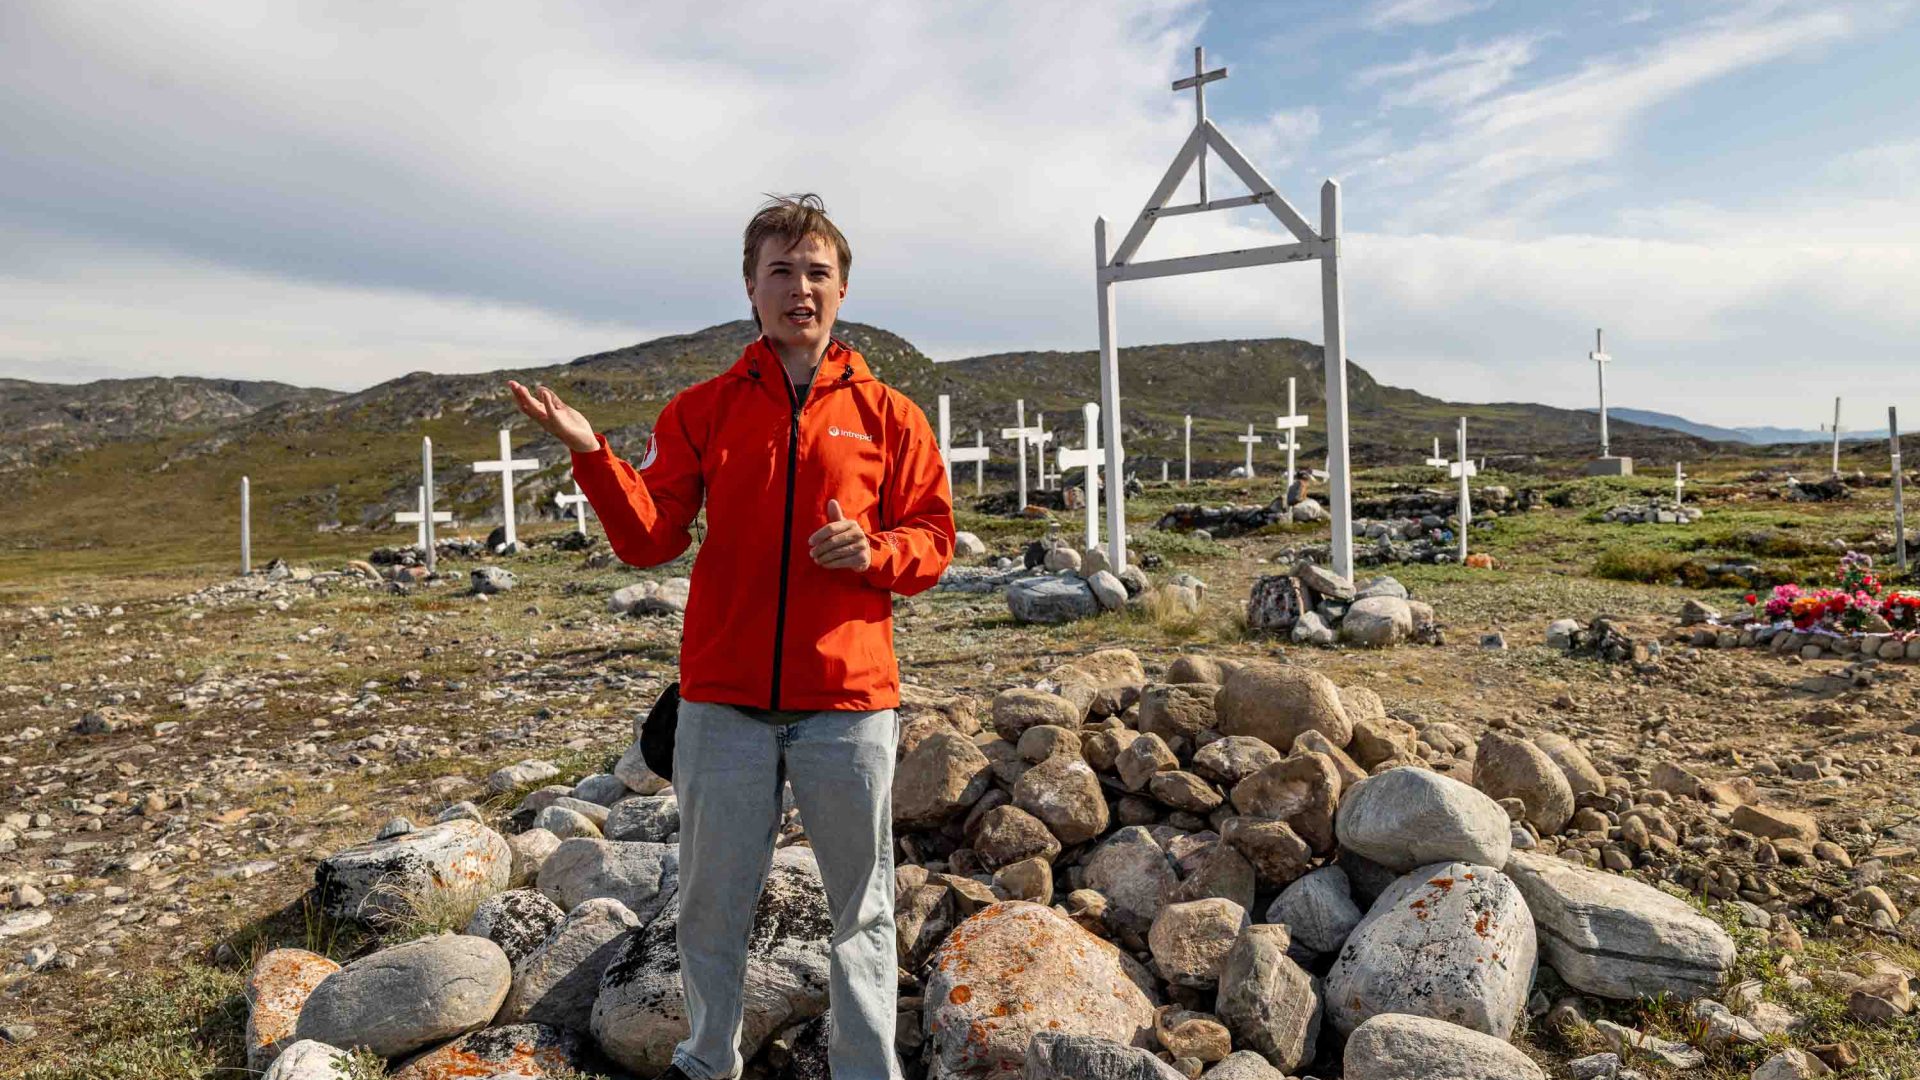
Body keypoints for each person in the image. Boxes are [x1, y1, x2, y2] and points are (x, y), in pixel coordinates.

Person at [508, 194, 954, 1080]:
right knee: (711, 905)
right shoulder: (704, 409)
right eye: (780, 271)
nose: (799, 288)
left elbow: (933, 540)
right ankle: (709, 1061)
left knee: (860, 909)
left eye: (816, 272)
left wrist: (874, 549)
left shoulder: (890, 416)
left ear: (844, 287)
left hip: (847, 704)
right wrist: (593, 453)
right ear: (750, 287)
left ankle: (867, 1070)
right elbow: (650, 539)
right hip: (723, 705)